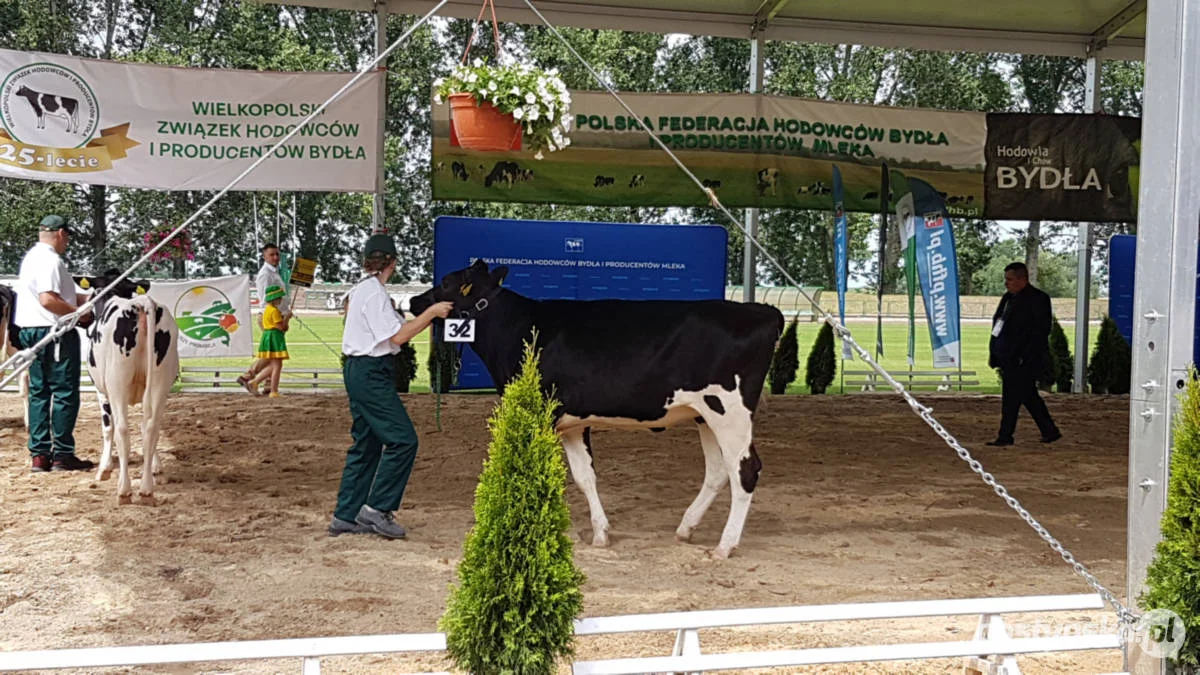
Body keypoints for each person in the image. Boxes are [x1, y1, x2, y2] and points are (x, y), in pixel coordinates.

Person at [328, 233, 452, 538]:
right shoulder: (375, 294)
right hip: (371, 370)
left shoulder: (360, 290)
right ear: (392, 263)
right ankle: (377, 509)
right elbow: (398, 337)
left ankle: (346, 514)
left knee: (367, 443)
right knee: (403, 440)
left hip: (358, 369)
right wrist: (432, 314)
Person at [15, 215, 94, 472]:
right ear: (60, 233)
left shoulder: (31, 258)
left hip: (30, 330)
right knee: (64, 393)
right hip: (53, 332)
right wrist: (77, 313)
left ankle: (39, 455)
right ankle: (62, 453)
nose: (67, 242)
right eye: (67, 237)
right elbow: (48, 299)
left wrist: (90, 297)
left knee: (39, 392)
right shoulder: (50, 260)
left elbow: (63, 293)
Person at [987, 262, 1062, 447]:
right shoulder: (1007, 298)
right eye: (1006, 279)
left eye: (1010, 279)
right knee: (1028, 396)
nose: (1007, 283)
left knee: (1012, 398)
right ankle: (1049, 430)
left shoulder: (1038, 299)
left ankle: (1005, 435)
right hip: (1007, 356)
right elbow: (999, 325)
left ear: (1022, 279)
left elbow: (1040, 331)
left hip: (1025, 359)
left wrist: (1025, 355)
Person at [238, 243, 291, 393]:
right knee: (272, 354)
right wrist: (276, 315)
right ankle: (249, 376)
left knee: (273, 355)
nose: (275, 257)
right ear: (264, 256)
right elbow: (265, 297)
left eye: (277, 254)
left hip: (277, 314)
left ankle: (266, 384)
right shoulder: (265, 274)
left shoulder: (274, 272)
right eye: (271, 255)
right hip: (271, 316)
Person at [247, 285, 289, 397]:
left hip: (268, 336)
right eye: (279, 298)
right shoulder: (274, 311)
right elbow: (282, 327)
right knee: (277, 365)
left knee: (275, 365)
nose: (280, 300)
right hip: (274, 338)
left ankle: (255, 382)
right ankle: (273, 391)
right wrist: (287, 318)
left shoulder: (267, 310)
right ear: (274, 299)